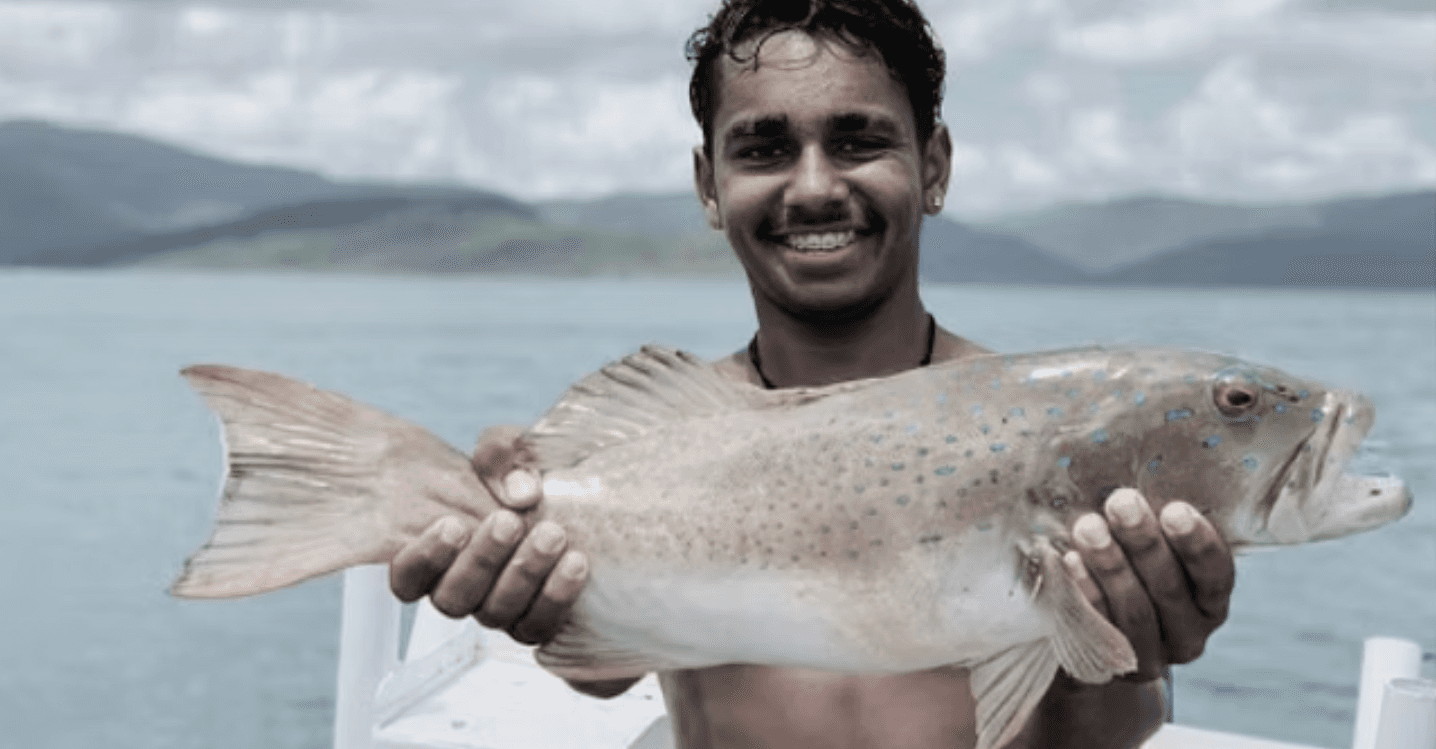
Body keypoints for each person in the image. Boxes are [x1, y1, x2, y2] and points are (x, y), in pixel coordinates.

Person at [388, 1, 1237, 746]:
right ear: (709, 185)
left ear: (934, 165)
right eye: (764, 149)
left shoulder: (1058, 435)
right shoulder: (665, 437)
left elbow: (1097, 732)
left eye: (859, 141)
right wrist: (524, 573)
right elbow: (600, 670)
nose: (816, 186)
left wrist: (1125, 658)